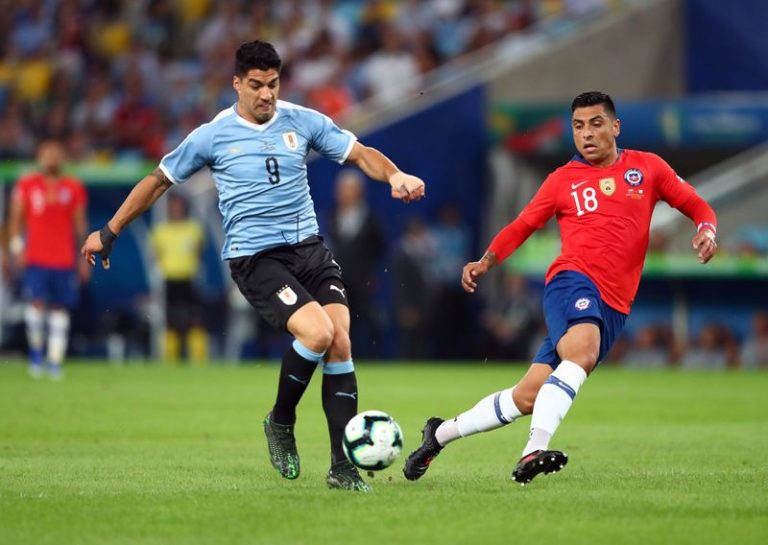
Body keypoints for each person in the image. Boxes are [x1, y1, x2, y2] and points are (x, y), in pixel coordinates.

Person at [81, 40, 425, 492]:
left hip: (310, 250)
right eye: (258, 85)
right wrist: (110, 230)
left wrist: (395, 174)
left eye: (274, 85)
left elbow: (360, 153)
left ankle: (342, 468)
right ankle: (281, 422)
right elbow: (157, 181)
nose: (267, 95)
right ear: (238, 84)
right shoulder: (212, 134)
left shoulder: (302, 121)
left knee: (340, 341)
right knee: (317, 334)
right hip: (256, 258)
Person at [402, 91, 717, 485]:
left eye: (596, 123)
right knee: (581, 352)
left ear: (615, 127)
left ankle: (439, 434)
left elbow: (696, 205)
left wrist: (706, 229)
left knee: (528, 395)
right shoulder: (562, 180)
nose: (586, 133)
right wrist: (485, 261)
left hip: (615, 304)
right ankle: (533, 450)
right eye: (578, 126)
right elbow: (521, 226)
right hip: (572, 281)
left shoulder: (648, 168)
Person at [8, 140, 89, 379]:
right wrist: (16, 248)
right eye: (46, 153)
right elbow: (15, 220)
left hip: (64, 259)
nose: (51, 158)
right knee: (35, 305)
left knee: (59, 310)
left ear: (62, 158)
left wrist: (83, 257)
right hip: (36, 257)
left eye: (56, 153)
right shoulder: (26, 184)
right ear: (39, 156)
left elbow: (80, 225)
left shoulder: (73, 187)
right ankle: (35, 354)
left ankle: (54, 361)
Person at [327, 169, 386, 358]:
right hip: (338, 279)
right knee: (337, 321)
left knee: (365, 322)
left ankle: (368, 359)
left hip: (362, 281)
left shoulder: (370, 219)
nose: (343, 194)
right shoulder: (331, 217)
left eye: (348, 189)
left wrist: (370, 272)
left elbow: (380, 248)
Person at [149, 193, 208, 364]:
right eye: (172, 206)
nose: (175, 209)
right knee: (171, 322)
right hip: (169, 280)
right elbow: (155, 254)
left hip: (189, 279)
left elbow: (199, 251)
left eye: (178, 206)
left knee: (195, 320)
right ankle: (170, 361)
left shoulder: (193, 228)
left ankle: (199, 361)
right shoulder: (161, 231)